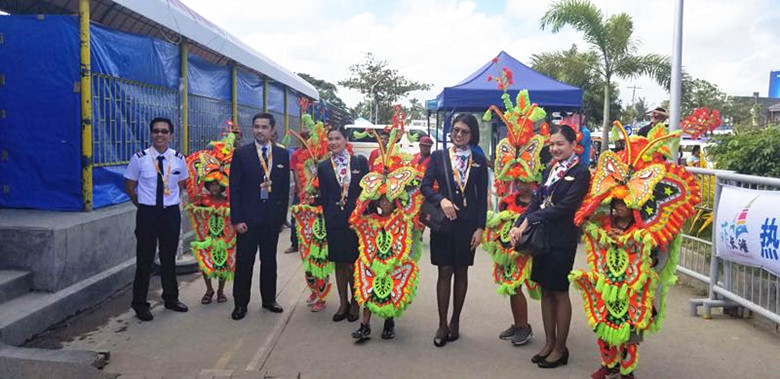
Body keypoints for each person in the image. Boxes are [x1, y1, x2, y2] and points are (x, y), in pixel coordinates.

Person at [570, 123, 700, 379]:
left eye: (624, 204)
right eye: (615, 202)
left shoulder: (648, 231)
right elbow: (584, 223)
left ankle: (627, 369)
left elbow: (657, 250)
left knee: (629, 330)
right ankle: (608, 364)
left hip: (633, 288)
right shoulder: (604, 223)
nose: (618, 207)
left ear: (637, 206)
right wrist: (605, 235)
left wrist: (632, 240)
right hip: (607, 284)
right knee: (605, 325)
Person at [509, 123, 591, 368]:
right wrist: (519, 222)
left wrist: (531, 219)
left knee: (559, 291)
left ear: (574, 146)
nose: (555, 148)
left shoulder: (581, 172)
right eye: (552, 144)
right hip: (541, 239)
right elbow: (536, 201)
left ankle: (560, 348)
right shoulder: (551, 169)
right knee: (545, 290)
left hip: (562, 239)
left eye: (560, 144)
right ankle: (549, 342)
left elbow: (565, 208)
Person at [348, 117, 425, 342]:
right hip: (372, 259)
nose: (383, 203)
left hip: (393, 260)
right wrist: (364, 202)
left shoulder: (401, 218)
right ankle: (365, 325)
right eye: (380, 199)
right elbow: (354, 219)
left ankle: (389, 322)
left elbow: (413, 211)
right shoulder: (369, 219)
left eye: (387, 199)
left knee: (389, 288)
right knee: (367, 287)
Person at [421, 113, 488, 347]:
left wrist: (480, 228)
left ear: (472, 135)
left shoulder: (478, 160)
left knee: (461, 272)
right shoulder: (439, 157)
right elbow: (425, 186)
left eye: (464, 131)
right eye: (455, 130)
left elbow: (482, 199)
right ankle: (441, 323)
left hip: (467, 225)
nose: (458, 135)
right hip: (443, 224)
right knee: (444, 271)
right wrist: (442, 200)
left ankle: (455, 321)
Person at [123, 117, 190, 321]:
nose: (159, 135)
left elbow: (183, 184)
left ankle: (170, 298)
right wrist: (143, 204)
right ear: (151, 134)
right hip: (148, 214)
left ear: (171, 135)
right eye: (155, 131)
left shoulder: (178, 158)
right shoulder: (140, 158)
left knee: (169, 257)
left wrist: (168, 201)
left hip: (170, 213)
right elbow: (130, 185)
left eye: (164, 131)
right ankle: (140, 303)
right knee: (145, 259)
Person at [229, 113, 290, 320]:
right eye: (256, 126)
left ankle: (269, 299)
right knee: (245, 263)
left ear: (272, 130)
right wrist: (237, 219)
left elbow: (283, 190)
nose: (259, 131)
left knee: (269, 261)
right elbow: (234, 189)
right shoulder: (241, 154)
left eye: (264, 127)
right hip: (247, 220)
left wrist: (281, 219)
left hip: (271, 221)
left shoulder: (282, 155)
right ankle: (240, 304)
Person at [317, 126, 368, 323]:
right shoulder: (323, 166)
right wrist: (328, 214)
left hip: (355, 220)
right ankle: (343, 303)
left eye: (337, 138)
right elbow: (325, 195)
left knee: (353, 263)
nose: (333, 142)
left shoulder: (358, 162)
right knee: (339, 262)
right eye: (330, 139)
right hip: (334, 221)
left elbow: (367, 192)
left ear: (346, 140)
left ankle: (356, 302)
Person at [184, 127, 239, 306]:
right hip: (206, 238)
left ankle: (221, 291)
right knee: (205, 264)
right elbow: (192, 208)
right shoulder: (202, 200)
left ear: (223, 186)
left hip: (224, 239)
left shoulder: (227, 202)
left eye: (218, 185)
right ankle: (209, 289)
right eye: (212, 184)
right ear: (207, 184)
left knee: (223, 265)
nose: (214, 187)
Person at [285, 130, 311, 255]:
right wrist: (301, 191)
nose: (305, 141)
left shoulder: (315, 153)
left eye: (307, 138)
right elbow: (295, 172)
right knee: (295, 217)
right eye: (303, 138)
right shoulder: (296, 154)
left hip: (313, 191)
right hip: (300, 191)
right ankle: (294, 244)